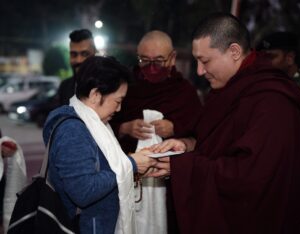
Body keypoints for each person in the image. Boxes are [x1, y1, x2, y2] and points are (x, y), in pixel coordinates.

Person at [150, 13, 300, 234]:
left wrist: (183, 167)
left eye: (205, 61)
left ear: (234, 52)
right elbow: (218, 142)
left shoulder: (271, 100)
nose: (199, 71)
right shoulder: (226, 89)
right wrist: (187, 145)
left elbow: (251, 178)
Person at [43, 56, 157, 234]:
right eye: (118, 101)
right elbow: (83, 192)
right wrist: (130, 164)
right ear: (95, 95)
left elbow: (103, 168)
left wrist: (133, 165)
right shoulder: (73, 130)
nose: (119, 109)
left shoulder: (94, 123)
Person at [110, 30, 203, 234]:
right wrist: (124, 128)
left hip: (171, 185)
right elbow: (105, 127)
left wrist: (175, 128)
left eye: (159, 61)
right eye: (145, 60)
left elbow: (201, 137)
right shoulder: (126, 88)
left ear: (172, 58)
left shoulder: (185, 92)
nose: (151, 68)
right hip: (129, 178)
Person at [257, 31, 300, 154]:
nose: (265, 63)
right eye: (263, 58)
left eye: (271, 57)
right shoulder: (266, 91)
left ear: (289, 58)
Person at [57, 29, 97, 105]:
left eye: (85, 54)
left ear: (94, 53)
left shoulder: (108, 85)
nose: (79, 60)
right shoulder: (65, 87)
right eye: (74, 54)